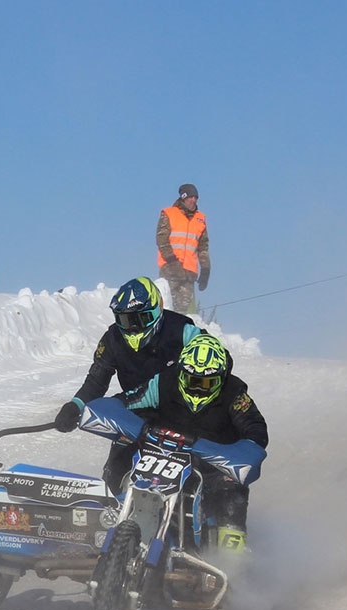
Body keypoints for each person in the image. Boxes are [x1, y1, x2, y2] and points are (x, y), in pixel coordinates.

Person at [54, 276, 204, 492]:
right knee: (115, 470)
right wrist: (75, 406)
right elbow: (97, 380)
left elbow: (214, 362)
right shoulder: (112, 339)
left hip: (184, 415)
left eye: (138, 319)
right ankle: (110, 512)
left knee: (195, 476)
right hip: (136, 416)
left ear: (156, 310)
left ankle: (212, 513)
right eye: (125, 320)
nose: (132, 328)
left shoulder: (183, 331)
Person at [119, 333, 267, 552]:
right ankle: (112, 507)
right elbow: (128, 401)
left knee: (232, 491)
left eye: (207, 383)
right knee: (122, 445)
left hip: (211, 466)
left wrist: (243, 450)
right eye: (192, 381)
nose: (198, 388)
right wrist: (122, 419)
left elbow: (256, 428)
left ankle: (234, 564)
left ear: (221, 378)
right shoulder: (163, 382)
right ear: (181, 373)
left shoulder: (234, 393)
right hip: (159, 455)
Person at [156, 183, 210, 316]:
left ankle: (176, 336)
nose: (194, 200)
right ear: (183, 197)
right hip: (170, 270)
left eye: (196, 198)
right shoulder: (169, 214)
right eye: (191, 197)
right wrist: (172, 261)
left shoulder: (200, 219)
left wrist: (206, 270)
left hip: (189, 274)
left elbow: (203, 246)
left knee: (181, 314)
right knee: (165, 308)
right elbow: (161, 240)